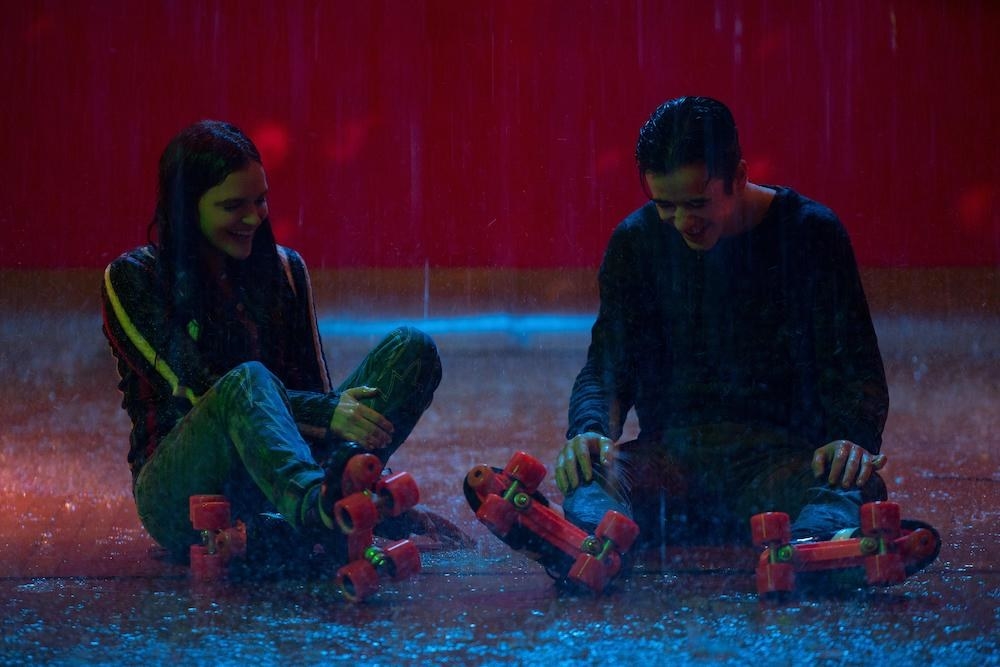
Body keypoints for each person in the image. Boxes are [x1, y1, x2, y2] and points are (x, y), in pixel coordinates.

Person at [554, 96, 902, 547]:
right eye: (665, 205)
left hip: (784, 462)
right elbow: (607, 368)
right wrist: (589, 432)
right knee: (589, 475)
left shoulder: (810, 234)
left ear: (738, 177)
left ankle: (810, 550)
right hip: (672, 464)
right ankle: (592, 545)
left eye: (697, 203)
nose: (682, 221)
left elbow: (857, 368)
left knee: (853, 482)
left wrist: (851, 439)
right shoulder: (636, 242)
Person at [101, 120, 449, 568]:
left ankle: (319, 508)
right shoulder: (133, 278)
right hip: (185, 491)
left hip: (279, 469)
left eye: (260, 200)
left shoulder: (286, 269)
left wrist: (330, 418)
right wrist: (325, 413)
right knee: (246, 380)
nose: (253, 217)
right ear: (188, 210)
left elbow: (320, 400)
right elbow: (195, 390)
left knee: (412, 349)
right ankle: (323, 511)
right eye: (233, 206)